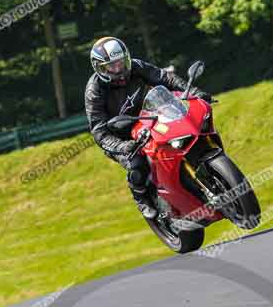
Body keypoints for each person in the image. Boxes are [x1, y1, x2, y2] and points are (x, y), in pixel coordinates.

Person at [84, 37, 212, 219]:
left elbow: (164, 77)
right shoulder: (94, 91)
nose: (118, 69)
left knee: (183, 132)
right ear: (100, 68)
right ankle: (141, 197)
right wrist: (121, 146)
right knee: (137, 163)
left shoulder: (136, 66)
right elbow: (98, 131)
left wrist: (193, 93)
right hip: (120, 136)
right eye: (111, 66)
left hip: (148, 116)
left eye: (121, 62)